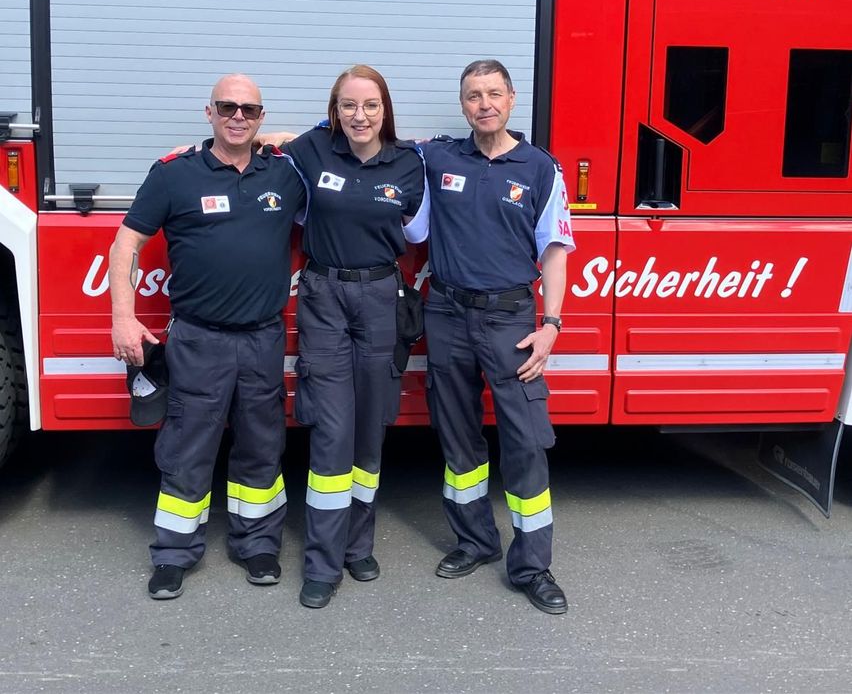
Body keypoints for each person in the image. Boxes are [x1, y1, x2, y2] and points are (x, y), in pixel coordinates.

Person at [109, 74, 306, 600]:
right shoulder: (175, 173)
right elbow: (126, 244)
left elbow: (339, 132)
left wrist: (278, 138)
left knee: (262, 445)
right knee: (186, 447)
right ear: (208, 112)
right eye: (227, 107)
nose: (237, 116)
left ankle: (257, 543)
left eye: (248, 109)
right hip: (198, 339)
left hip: (262, 338)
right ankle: (174, 553)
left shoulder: (286, 173)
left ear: (261, 117)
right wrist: (123, 318)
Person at [260, 65, 428, 609]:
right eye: (349, 106)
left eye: (371, 105)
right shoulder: (310, 150)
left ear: (386, 110)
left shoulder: (410, 163)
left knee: (372, 425)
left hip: (381, 297)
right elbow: (251, 146)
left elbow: (419, 230)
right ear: (333, 112)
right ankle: (323, 563)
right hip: (325, 297)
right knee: (332, 428)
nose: (360, 116)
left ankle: (359, 546)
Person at [421, 59, 574, 614]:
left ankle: (533, 567)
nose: (483, 104)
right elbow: (370, 142)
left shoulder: (539, 168)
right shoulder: (436, 156)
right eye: (472, 96)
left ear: (511, 99)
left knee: (526, 443)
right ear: (462, 105)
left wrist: (550, 325)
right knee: (458, 437)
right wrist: (284, 137)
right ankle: (475, 542)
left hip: (511, 320)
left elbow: (554, 250)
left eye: (493, 93)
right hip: (446, 313)